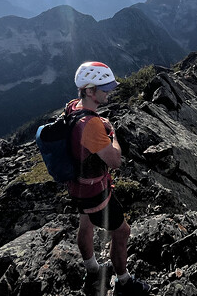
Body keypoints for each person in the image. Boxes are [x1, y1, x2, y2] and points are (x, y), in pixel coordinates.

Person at [66, 61, 150, 296]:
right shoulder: (91, 125)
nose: (109, 93)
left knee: (85, 224)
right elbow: (115, 161)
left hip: (77, 186)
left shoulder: (73, 107)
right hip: (95, 193)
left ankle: (92, 271)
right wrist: (112, 134)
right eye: (104, 89)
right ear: (90, 91)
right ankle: (124, 283)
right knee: (122, 232)